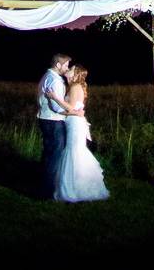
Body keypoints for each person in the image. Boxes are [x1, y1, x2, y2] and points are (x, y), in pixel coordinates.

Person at [45, 64, 110, 202]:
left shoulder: (75, 87)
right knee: (74, 151)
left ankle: (74, 189)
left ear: (75, 74)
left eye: (71, 68)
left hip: (75, 124)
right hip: (73, 122)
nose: (68, 69)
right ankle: (75, 187)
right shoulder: (73, 86)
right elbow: (72, 110)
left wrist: (54, 97)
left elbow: (69, 107)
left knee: (74, 152)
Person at [36, 53, 83, 200]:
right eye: (66, 65)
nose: (67, 67)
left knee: (49, 154)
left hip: (47, 119)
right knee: (54, 157)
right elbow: (56, 108)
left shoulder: (47, 76)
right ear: (58, 65)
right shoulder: (55, 80)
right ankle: (47, 192)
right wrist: (74, 113)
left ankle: (44, 187)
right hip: (53, 121)